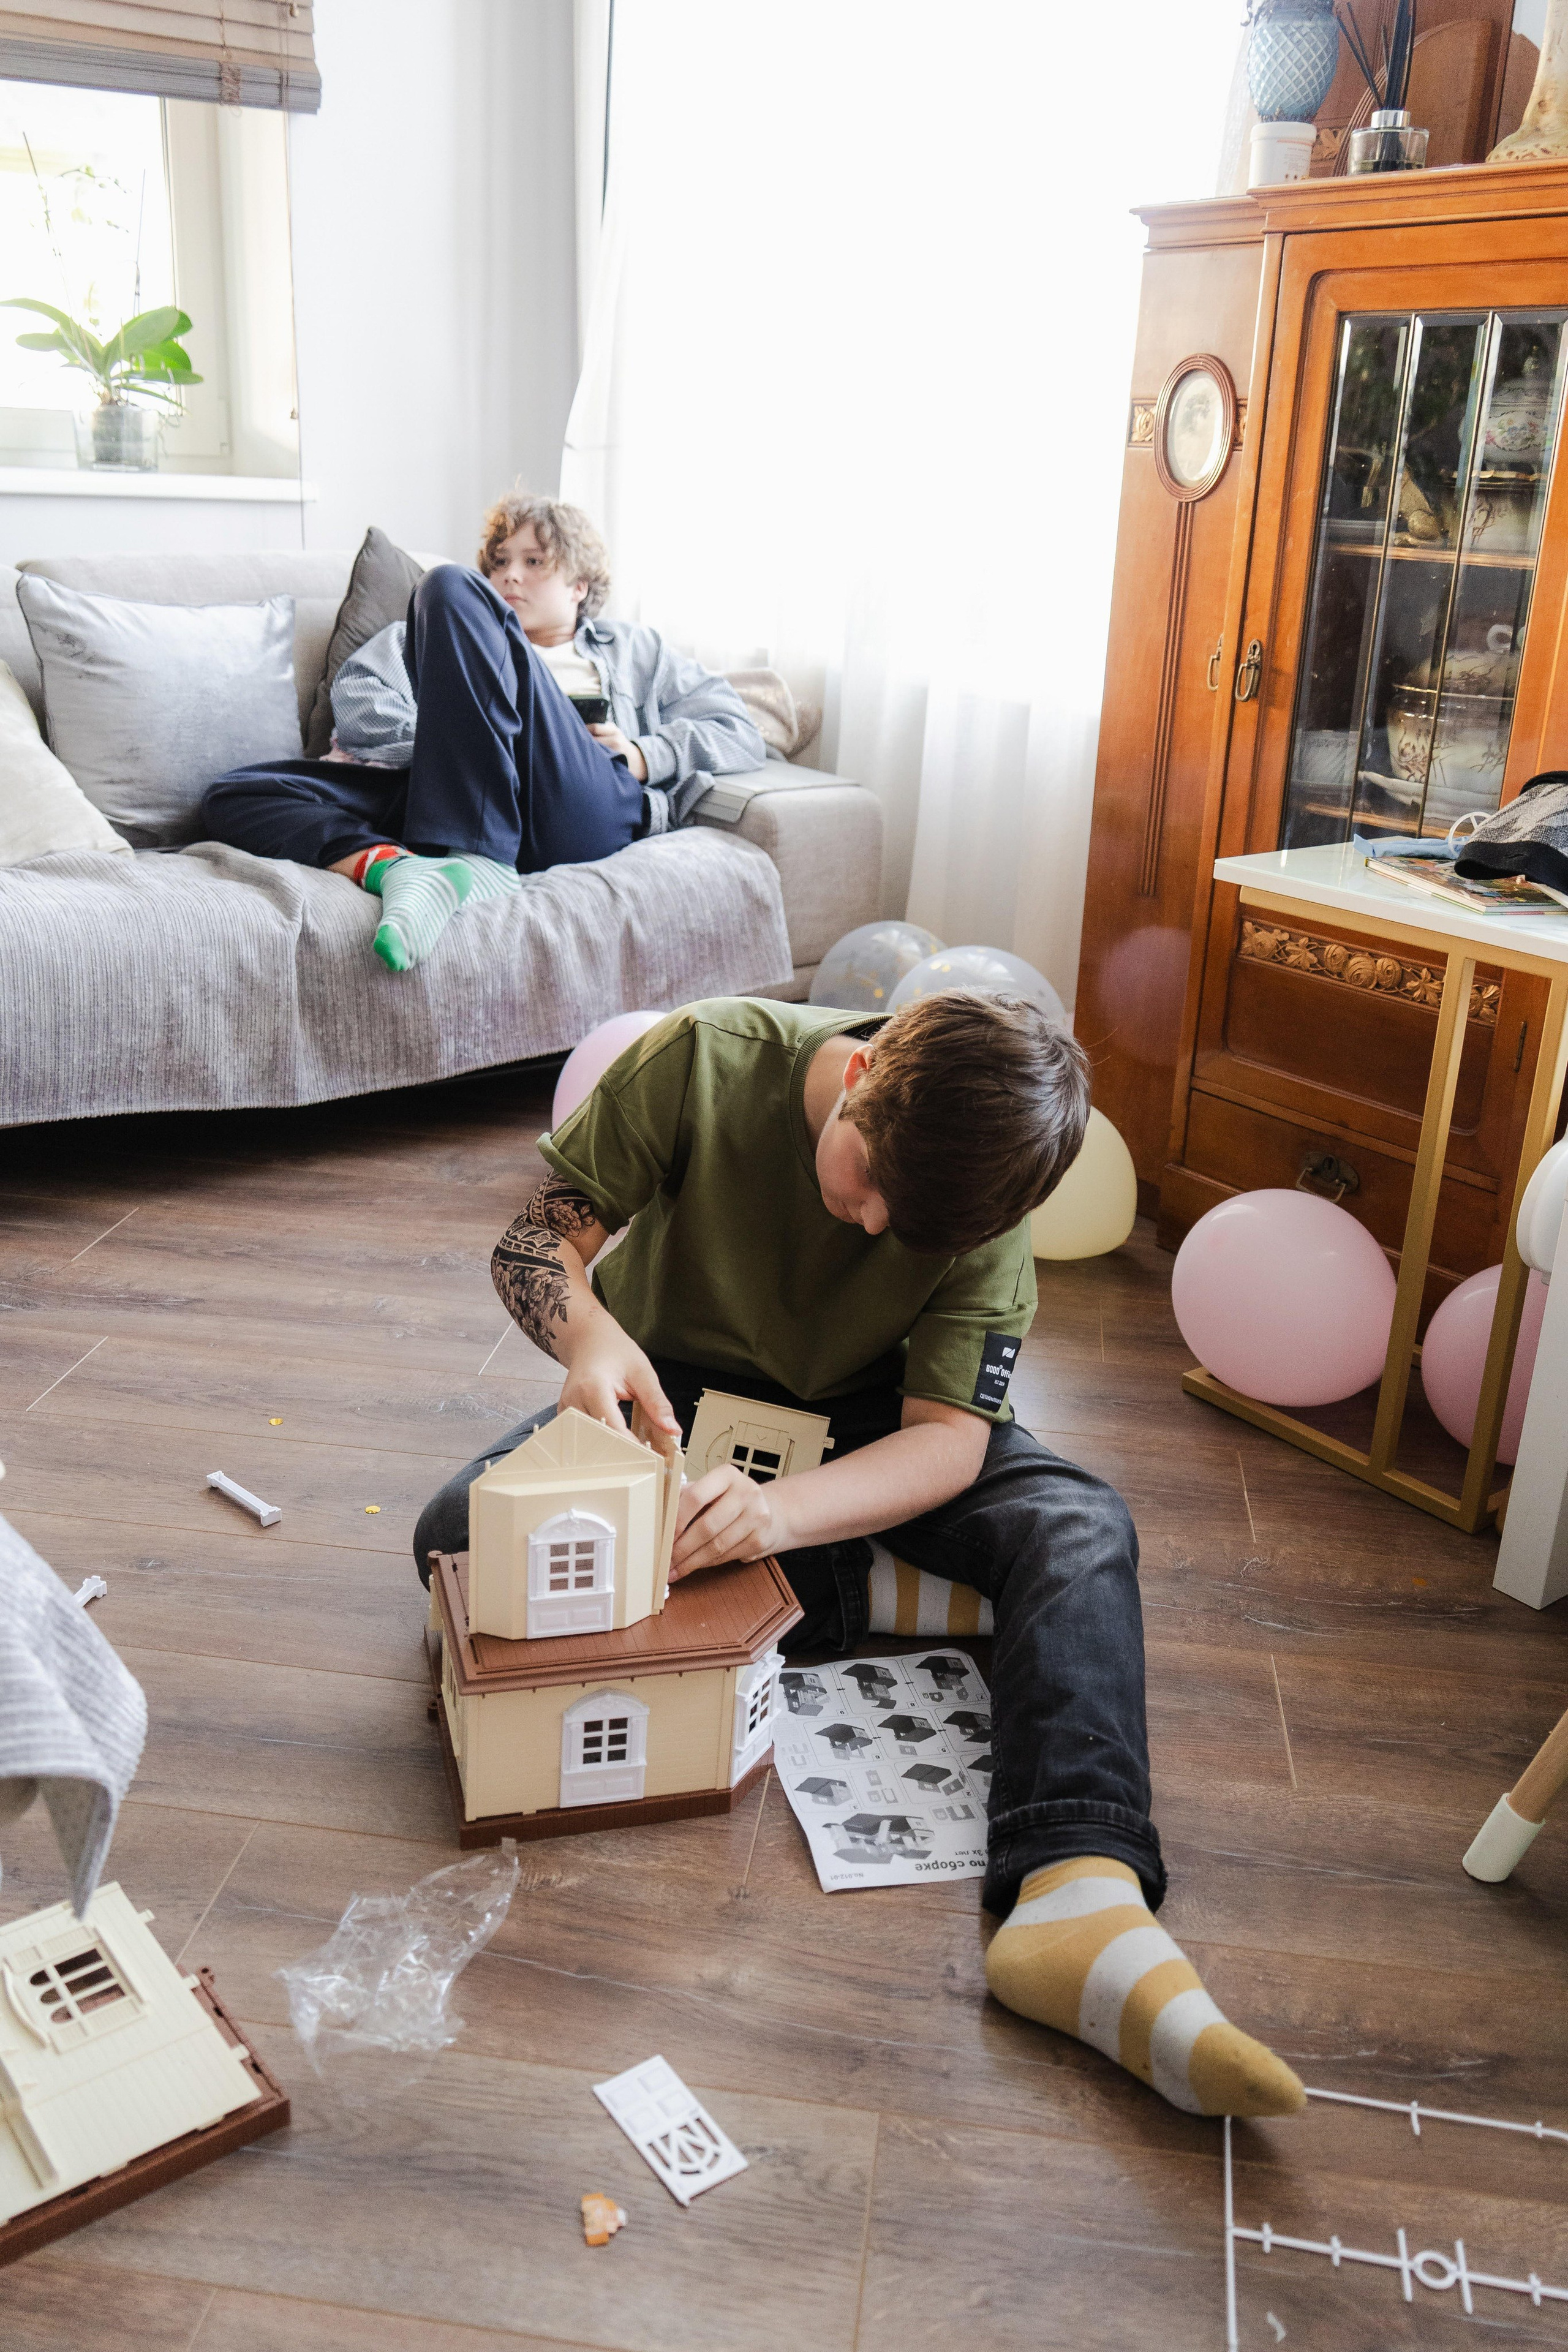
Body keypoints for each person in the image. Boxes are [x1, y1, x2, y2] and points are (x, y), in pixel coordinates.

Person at [412, 990, 1306, 2120]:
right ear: (862, 1074)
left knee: (1080, 1528)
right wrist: (587, 1336)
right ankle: (892, 1588)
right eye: (870, 1179)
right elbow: (535, 1241)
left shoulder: (981, 1198)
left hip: (877, 1428)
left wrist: (781, 1519)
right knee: (457, 1537)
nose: (877, 1225)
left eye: (915, 1227)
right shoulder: (704, 1058)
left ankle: (1079, 1894)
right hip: (673, 1403)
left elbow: (948, 1442)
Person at [200, 494, 766, 973]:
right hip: (443, 792)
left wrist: (644, 754)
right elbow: (360, 704)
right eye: (499, 562)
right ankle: (403, 869)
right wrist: (463, 739)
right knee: (236, 795)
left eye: (534, 561)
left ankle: (477, 852)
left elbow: (739, 729)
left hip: (574, 804)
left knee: (448, 583)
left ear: (579, 585)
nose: (508, 576)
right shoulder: (429, 631)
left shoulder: (637, 650)